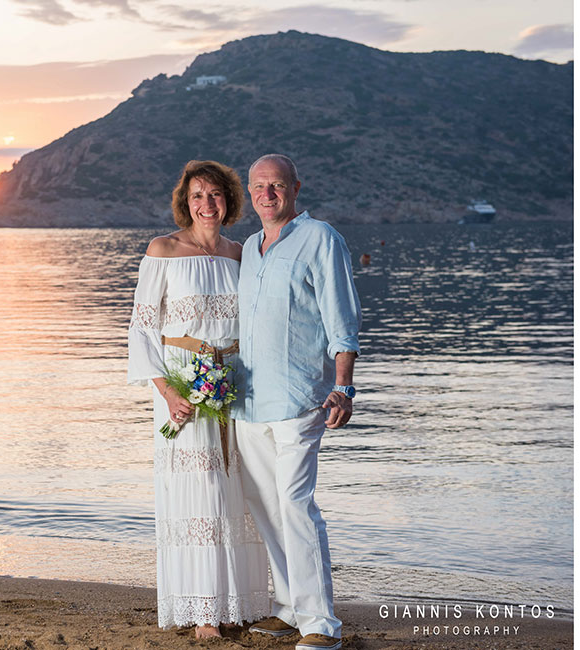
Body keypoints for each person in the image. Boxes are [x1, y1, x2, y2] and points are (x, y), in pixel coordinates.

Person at [127, 160, 270, 638]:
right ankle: (203, 613)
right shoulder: (163, 249)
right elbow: (143, 330)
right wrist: (167, 392)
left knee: (237, 492)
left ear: (229, 199)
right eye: (197, 196)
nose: (206, 204)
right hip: (182, 385)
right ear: (184, 202)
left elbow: (256, 324)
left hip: (234, 383)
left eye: (215, 195)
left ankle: (235, 605)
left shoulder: (242, 253)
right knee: (199, 493)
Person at [234, 154, 361, 650]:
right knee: (266, 507)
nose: (268, 194)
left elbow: (341, 318)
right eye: (259, 186)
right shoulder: (248, 247)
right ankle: (288, 607)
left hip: (300, 399)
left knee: (295, 505)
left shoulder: (321, 238)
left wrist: (344, 386)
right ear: (250, 192)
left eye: (277, 185)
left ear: (295, 188)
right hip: (248, 402)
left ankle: (321, 625)